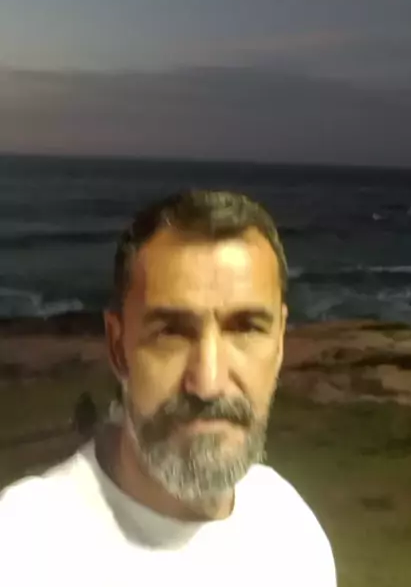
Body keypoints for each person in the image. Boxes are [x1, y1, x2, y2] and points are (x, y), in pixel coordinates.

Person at [0, 190, 336, 585]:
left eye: (246, 328)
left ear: (279, 344)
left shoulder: (293, 534)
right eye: (171, 333)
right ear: (118, 347)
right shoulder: (24, 547)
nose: (208, 383)